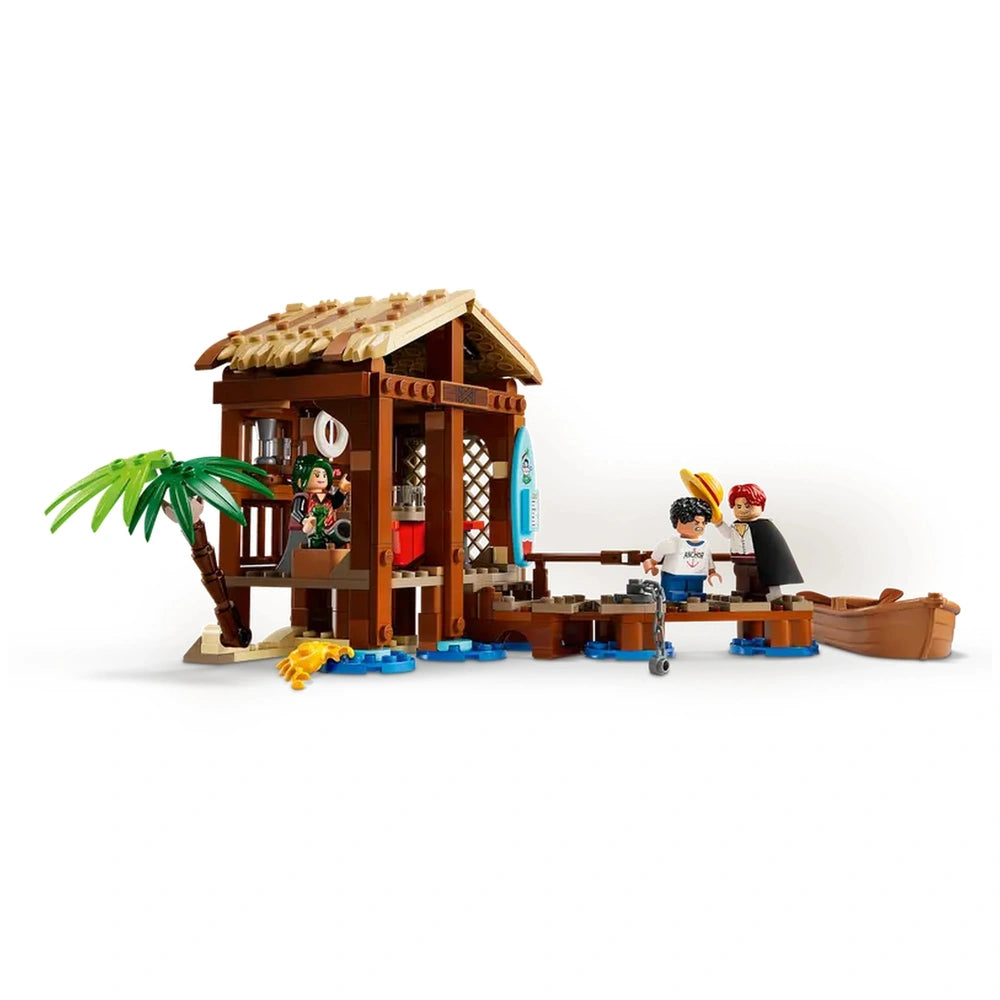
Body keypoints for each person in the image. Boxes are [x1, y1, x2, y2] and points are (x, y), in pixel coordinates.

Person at [712, 483, 802, 601]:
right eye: (738, 506)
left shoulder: (764, 527)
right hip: (740, 564)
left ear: (761, 506)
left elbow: (774, 547)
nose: (743, 510)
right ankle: (742, 596)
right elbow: (727, 534)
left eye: (747, 506)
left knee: (764, 583)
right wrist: (719, 523)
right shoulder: (735, 526)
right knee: (742, 584)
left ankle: (772, 597)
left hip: (759, 564)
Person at [642, 497, 722, 601]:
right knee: (673, 596)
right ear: (678, 522)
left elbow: (708, 560)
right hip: (673, 577)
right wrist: (651, 564)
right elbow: (654, 558)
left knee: (695, 596)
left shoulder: (704, 545)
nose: (700, 526)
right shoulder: (673, 543)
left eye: (703, 523)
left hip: (697, 577)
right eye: (696, 522)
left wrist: (712, 572)